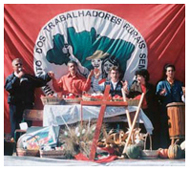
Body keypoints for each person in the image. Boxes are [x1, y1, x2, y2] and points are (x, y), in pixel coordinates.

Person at [4, 58, 52, 139]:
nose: (19, 66)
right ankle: (15, 146)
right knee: (15, 126)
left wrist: (48, 76)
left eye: (20, 64)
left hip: (27, 105)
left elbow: (39, 81)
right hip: (15, 106)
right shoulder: (10, 78)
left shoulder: (28, 77)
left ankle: (26, 145)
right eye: (17, 64)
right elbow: (8, 88)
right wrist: (17, 78)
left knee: (27, 126)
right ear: (13, 67)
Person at [127, 69, 159, 149]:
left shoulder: (151, 87)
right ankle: (138, 147)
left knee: (149, 129)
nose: (138, 78)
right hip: (138, 111)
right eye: (137, 76)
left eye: (139, 76)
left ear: (144, 77)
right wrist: (126, 92)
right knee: (139, 130)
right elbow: (129, 97)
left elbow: (155, 99)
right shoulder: (134, 86)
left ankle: (149, 147)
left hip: (149, 111)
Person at [156, 64, 184, 148]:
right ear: (166, 73)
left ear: (174, 72)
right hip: (165, 111)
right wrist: (161, 94)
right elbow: (156, 98)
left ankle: (177, 147)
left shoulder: (178, 84)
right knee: (165, 129)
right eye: (169, 71)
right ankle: (164, 147)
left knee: (178, 129)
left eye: (172, 71)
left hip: (177, 112)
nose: (170, 72)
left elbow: (182, 96)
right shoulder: (161, 84)